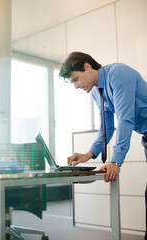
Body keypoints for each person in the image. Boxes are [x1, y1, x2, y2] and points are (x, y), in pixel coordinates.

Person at [59, 51, 147, 239]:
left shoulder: (118, 74)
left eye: (75, 79)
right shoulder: (97, 92)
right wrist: (88, 154)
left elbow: (125, 119)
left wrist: (116, 161)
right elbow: (106, 129)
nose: (75, 86)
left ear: (87, 67)